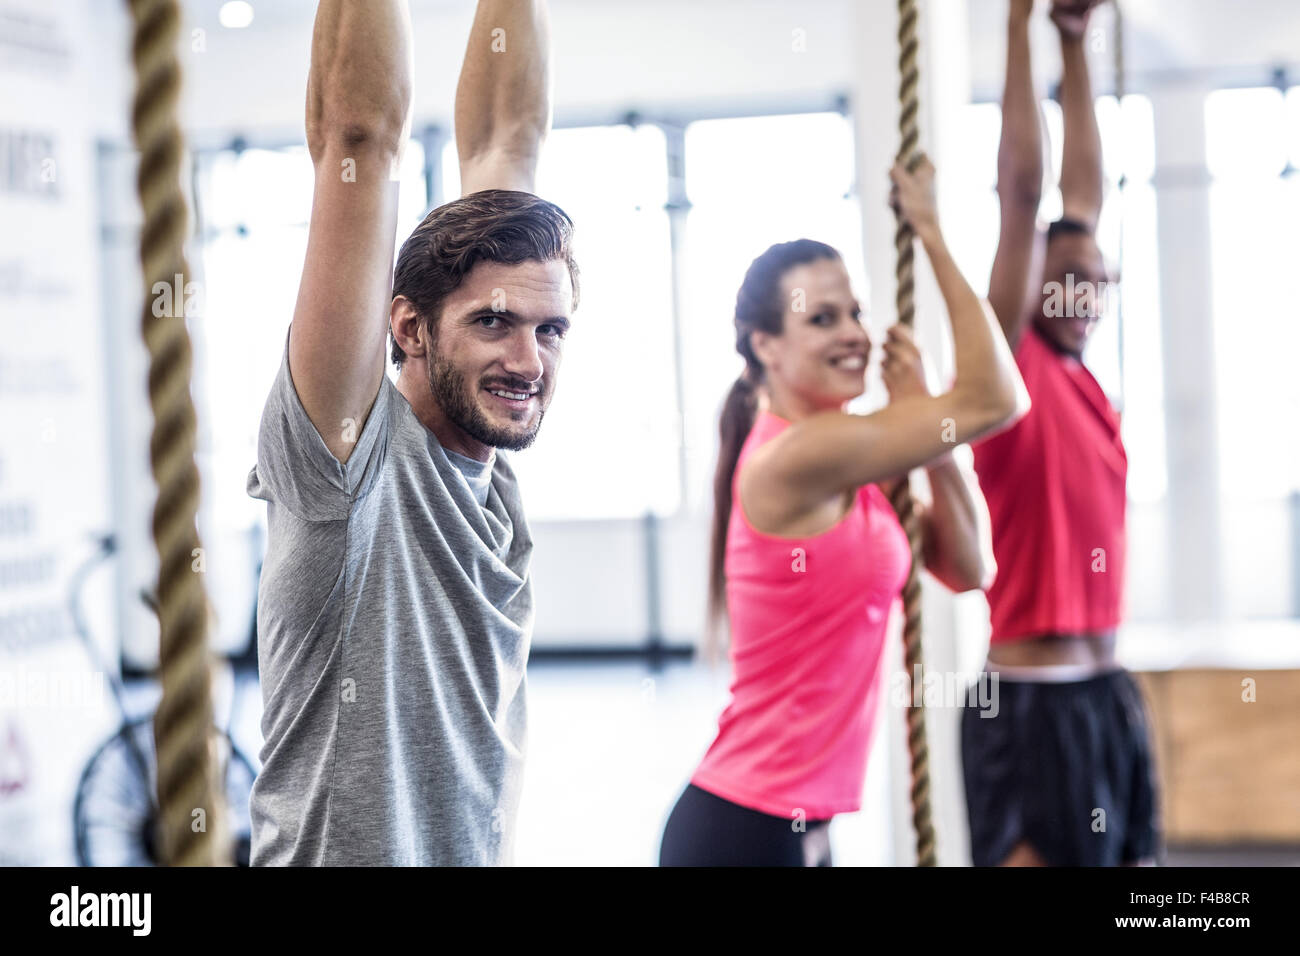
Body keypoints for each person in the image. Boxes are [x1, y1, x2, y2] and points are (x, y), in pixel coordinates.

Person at [246, 0, 576, 865]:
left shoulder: (490, 470)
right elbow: (358, 136)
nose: (529, 361)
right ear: (409, 327)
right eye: (494, 323)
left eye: (550, 329)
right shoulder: (345, 456)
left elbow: (507, 136)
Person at [658, 157, 1029, 866]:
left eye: (856, 313)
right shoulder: (797, 456)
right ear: (765, 346)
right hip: (742, 832)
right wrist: (931, 231)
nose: (855, 333)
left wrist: (933, 437)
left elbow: (971, 567)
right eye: (822, 319)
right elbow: (996, 398)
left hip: (803, 830)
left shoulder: (853, 464)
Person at [961, 0, 1160, 867]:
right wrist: (1017, 27)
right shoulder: (1011, 371)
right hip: (1029, 705)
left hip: (1107, 694)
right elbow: (1026, 195)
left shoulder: (1088, 387)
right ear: (1031, 276)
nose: (1088, 294)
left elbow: (1087, 193)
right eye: (1069, 277)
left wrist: (1074, 45)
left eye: (1100, 279)